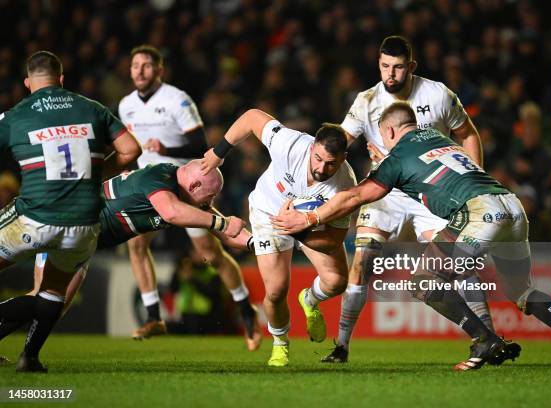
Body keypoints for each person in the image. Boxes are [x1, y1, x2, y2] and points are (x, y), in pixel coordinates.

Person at [272, 102, 551, 371]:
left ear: (388, 132)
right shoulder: (442, 140)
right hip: (510, 207)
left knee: (424, 280)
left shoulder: (397, 157)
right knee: (522, 291)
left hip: (477, 213)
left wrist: (310, 216)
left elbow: (356, 197)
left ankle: (484, 339)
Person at [326, 35, 494, 363]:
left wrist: (473, 183)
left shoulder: (438, 94)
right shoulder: (366, 101)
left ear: (411, 67)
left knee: (459, 265)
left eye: (399, 67)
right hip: (386, 193)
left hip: (431, 193)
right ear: (378, 64)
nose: (391, 74)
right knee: (361, 263)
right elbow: (338, 143)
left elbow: (468, 134)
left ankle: (488, 338)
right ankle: (341, 346)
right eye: (385, 66)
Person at [0, 162, 250, 344]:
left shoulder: (186, 195)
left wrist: (261, 243)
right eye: (210, 196)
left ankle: (28, 358)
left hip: (83, 243)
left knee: (55, 306)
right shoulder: (160, 178)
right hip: (67, 228)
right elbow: (172, 213)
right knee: (45, 300)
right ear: (195, 185)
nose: (211, 202)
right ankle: (28, 359)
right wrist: (222, 223)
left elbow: (229, 233)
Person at [0, 51, 141, 372]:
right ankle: (30, 358)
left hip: (35, 215)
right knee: (51, 293)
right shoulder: (92, 108)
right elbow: (131, 149)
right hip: (84, 222)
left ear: (27, 83)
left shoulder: (16, 115)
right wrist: (94, 177)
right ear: (61, 80)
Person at [118, 44, 260, 349]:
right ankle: (154, 316)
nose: (139, 71)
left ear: (159, 70)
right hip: (148, 191)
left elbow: (200, 144)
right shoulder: (125, 105)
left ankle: (246, 311)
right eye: (134, 66)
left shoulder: (177, 100)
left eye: (146, 65)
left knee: (212, 256)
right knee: (136, 244)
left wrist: (167, 150)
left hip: (184, 191)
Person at [201, 109, 357, 367]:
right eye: (317, 158)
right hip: (269, 213)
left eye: (331, 163)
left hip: (310, 225)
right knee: (275, 291)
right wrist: (218, 153)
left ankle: (309, 300)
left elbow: (332, 241)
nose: (321, 168)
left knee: (337, 281)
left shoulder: (345, 186)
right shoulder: (291, 143)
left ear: (344, 158)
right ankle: (280, 344)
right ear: (311, 147)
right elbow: (251, 118)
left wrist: (298, 229)